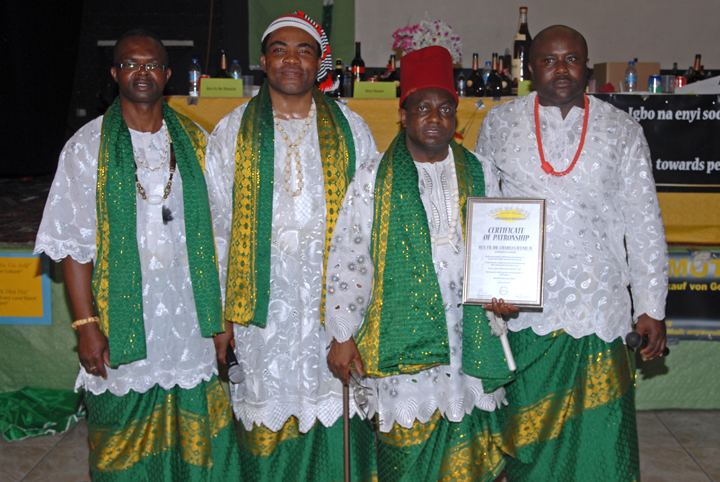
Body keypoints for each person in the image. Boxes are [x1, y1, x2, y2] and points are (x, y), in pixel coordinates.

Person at [33, 29, 241, 481]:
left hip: (190, 320)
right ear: (115, 73)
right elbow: (73, 246)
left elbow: (222, 237)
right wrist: (86, 326)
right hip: (121, 318)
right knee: (120, 441)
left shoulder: (198, 144)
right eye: (131, 63)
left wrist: (223, 319)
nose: (142, 72)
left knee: (200, 439)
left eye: (152, 65)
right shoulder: (87, 148)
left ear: (167, 75)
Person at [474, 25, 669, 482]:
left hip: (599, 311)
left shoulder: (622, 129)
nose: (561, 69)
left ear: (587, 65)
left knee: (601, 435)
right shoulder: (499, 123)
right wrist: (489, 291)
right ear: (530, 67)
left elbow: (644, 223)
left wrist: (651, 307)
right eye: (549, 60)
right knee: (527, 435)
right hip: (524, 313)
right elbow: (481, 209)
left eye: (572, 59)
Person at [325, 45, 516, 482]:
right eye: (423, 107)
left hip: (470, 336)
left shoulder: (483, 172)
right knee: (405, 457)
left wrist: (509, 293)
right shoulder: (373, 176)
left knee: (471, 453)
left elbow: (505, 247)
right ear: (404, 114)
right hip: (402, 345)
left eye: (446, 108)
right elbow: (349, 258)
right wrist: (341, 334)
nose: (435, 117)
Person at [204, 12, 379, 482]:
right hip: (264, 310)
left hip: (334, 304)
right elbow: (217, 228)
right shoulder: (233, 131)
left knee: (335, 405)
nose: (291, 59)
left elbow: (370, 223)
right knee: (266, 409)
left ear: (319, 63)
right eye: (280, 49)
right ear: (263, 60)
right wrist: (220, 317)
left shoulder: (351, 128)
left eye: (304, 50)